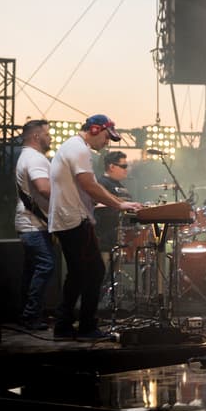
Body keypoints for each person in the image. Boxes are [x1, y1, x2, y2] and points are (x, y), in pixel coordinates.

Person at [49, 114, 142, 341]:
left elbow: (82, 188)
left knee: (78, 274)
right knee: (95, 271)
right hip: (75, 220)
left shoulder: (72, 147)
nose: (107, 142)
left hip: (67, 219)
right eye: (106, 136)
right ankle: (87, 328)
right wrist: (119, 204)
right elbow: (89, 184)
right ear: (94, 130)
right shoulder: (79, 150)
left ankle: (63, 326)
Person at [14, 119, 54, 330]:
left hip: (30, 224)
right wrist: (68, 199)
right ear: (36, 136)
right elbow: (43, 188)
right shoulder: (35, 159)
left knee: (31, 270)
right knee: (46, 265)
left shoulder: (26, 157)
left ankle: (28, 313)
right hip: (33, 225)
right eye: (47, 134)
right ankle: (31, 316)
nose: (50, 138)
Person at [94, 150, 133, 254]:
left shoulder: (121, 186)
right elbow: (98, 206)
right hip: (106, 239)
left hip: (120, 237)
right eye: (123, 166)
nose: (126, 170)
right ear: (112, 167)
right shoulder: (101, 184)